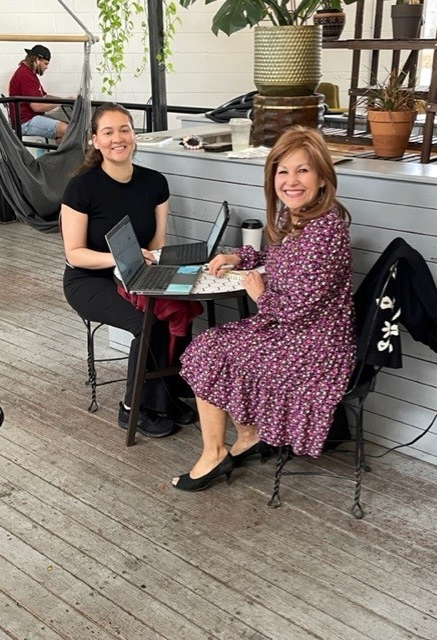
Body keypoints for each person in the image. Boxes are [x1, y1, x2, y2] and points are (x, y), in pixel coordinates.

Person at [172, 125, 356, 491]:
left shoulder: (327, 231)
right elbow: (277, 257)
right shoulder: (297, 217)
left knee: (209, 349)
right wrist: (239, 256)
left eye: (302, 170)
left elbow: (297, 308)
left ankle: (215, 454)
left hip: (315, 347)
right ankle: (248, 434)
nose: (291, 180)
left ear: (322, 177)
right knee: (213, 345)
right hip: (293, 333)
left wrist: (259, 294)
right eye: (282, 171)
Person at [60, 103, 197, 437]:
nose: (117, 138)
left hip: (138, 274)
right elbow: (75, 254)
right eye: (108, 132)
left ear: (134, 135)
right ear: (95, 140)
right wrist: (121, 258)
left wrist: (161, 262)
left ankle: (166, 395)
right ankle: (132, 408)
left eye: (125, 129)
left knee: (180, 304)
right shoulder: (81, 188)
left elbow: (159, 242)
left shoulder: (154, 183)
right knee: (145, 320)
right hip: (89, 279)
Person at [8, 45, 69, 144]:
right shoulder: (25, 75)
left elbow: (44, 97)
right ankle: (62, 158)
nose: (46, 67)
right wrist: (61, 102)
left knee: (68, 130)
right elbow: (37, 107)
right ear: (37, 60)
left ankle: (61, 158)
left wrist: (65, 99)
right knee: (69, 131)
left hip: (31, 118)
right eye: (45, 63)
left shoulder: (29, 73)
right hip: (25, 122)